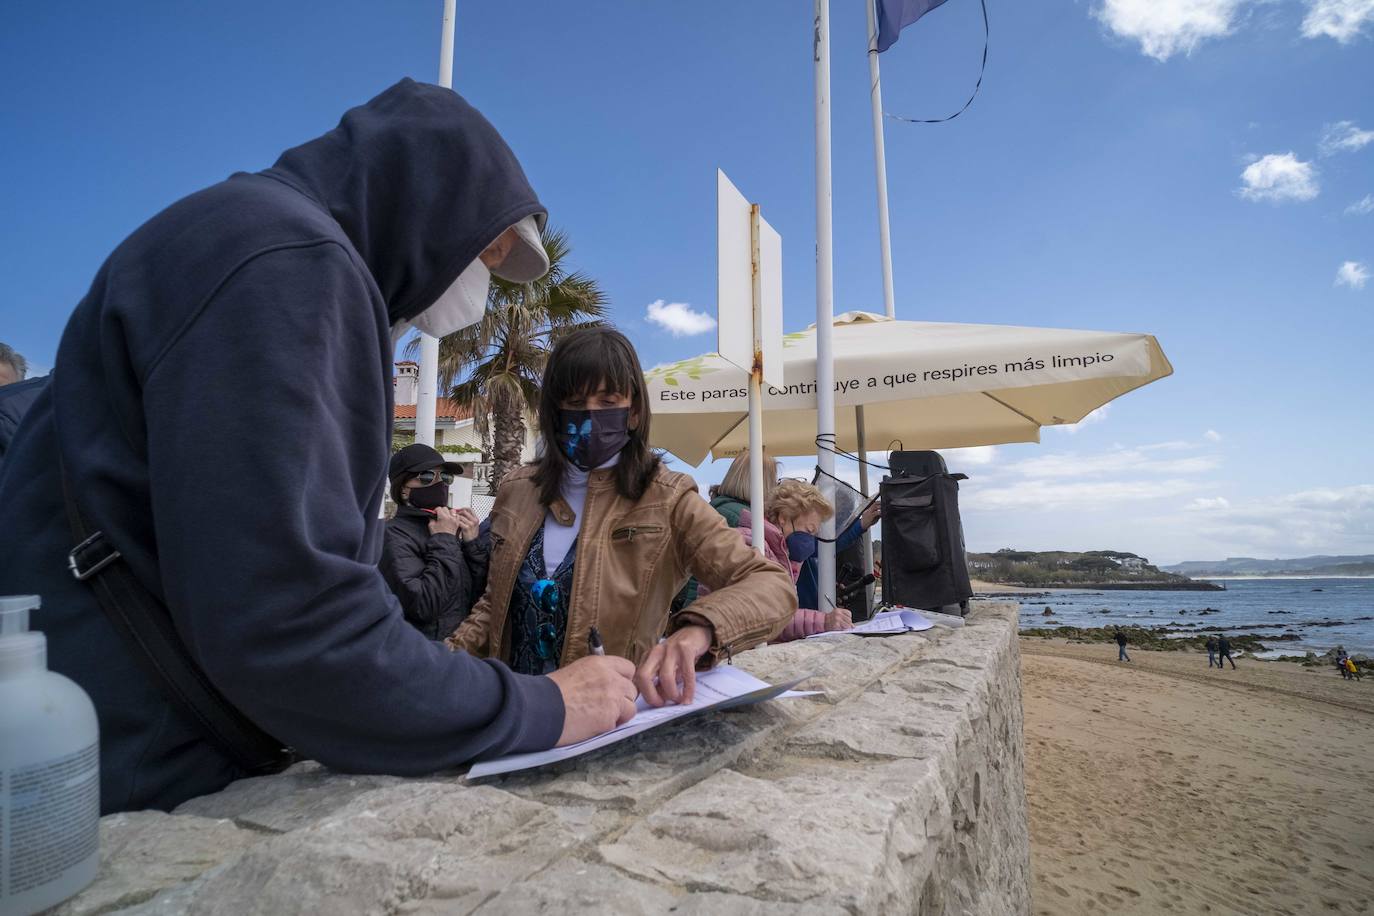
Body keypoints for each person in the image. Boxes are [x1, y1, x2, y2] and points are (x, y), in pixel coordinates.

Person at [0, 80, 641, 814]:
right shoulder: (292, 262)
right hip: (137, 771)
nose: (482, 281)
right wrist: (541, 708)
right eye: (484, 249)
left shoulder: (240, 234)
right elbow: (298, 625)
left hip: (93, 743)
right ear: (425, 197)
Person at [447, 327, 797, 707]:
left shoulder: (668, 498)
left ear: (633, 411)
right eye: (575, 401)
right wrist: (445, 664)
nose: (591, 414)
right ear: (554, 410)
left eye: (608, 399)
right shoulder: (517, 490)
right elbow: (493, 603)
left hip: (612, 717)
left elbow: (771, 586)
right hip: (515, 710)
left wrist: (701, 628)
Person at [705, 478, 853, 640]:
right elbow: (765, 618)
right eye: (809, 531)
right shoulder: (752, 545)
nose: (810, 540)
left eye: (814, 534)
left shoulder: (779, 552)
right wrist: (824, 621)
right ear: (783, 517)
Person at [381, 444, 487, 640]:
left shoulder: (446, 528)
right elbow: (423, 605)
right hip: (423, 658)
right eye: (427, 477)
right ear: (403, 488)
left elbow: (477, 596)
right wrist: (445, 540)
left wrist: (472, 544)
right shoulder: (392, 535)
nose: (440, 484)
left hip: (460, 652)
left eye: (445, 477)